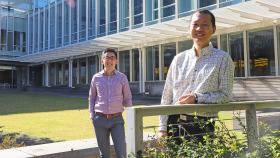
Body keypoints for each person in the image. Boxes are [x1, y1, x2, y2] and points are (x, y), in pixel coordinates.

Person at [158, 10, 235, 142]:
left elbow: (225, 95)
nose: (199, 29)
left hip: (202, 124)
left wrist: (197, 98)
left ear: (214, 29)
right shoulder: (178, 59)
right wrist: (162, 127)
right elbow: (167, 95)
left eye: (205, 25)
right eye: (195, 24)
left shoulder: (223, 58)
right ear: (189, 29)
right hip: (174, 121)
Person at [89, 48, 132, 158]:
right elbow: (92, 98)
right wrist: (92, 115)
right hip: (100, 119)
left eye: (112, 57)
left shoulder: (122, 77)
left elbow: (127, 98)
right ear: (102, 61)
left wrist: (131, 115)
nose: (109, 60)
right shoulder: (96, 78)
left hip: (117, 120)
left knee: (121, 153)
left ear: (116, 61)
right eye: (106, 57)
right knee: (104, 155)